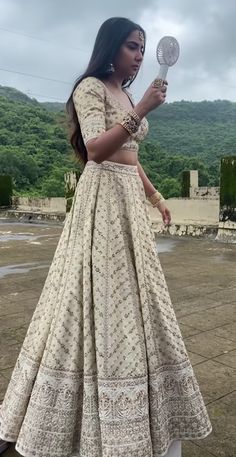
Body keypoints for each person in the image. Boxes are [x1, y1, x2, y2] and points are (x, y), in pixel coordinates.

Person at [0, 16, 212, 457]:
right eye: (133, 46)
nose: (138, 54)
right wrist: (143, 111)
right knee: (91, 293)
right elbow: (96, 149)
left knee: (139, 294)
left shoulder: (127, 93)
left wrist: (155, 197)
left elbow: (129, 155)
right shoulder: (90, 88)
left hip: (129, 202)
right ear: (111, 46)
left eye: (142, 47)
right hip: (102, 202)